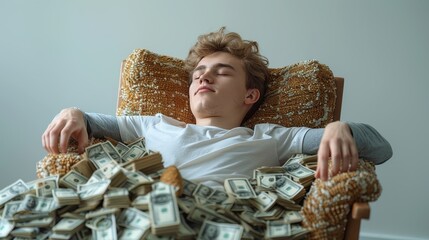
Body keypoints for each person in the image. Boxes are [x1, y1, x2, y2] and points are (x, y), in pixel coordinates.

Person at [42, 27, 392, 190]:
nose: (204, 77)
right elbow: (88, 121)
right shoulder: (156, 125)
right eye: (198, 74)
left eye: (222, 72)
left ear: (249, 96)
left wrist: (337, 127)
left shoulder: (269, 138)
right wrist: (73, 111)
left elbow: (381, 148)